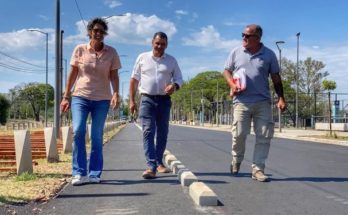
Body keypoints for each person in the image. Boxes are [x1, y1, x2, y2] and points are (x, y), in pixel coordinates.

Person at [60, 17, 121, 185]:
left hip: (102, 99)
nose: (99, 33)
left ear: (105, 34)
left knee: (96, 135)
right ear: (89, 32)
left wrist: (116, 93)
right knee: (79, 130)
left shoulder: (112, 52)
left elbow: (114, 76)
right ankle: (79, 172)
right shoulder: (80, 50)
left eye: (102, 31)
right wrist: (65, 96)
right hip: (80, 97)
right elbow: (72, 74)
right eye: (96, 30)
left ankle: (94, 172)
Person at [223, 24, 286, 182]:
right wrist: (232, 85)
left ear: (257, 38)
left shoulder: (269, 54)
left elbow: (276, 78)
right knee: (239, 134)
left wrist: (281, 98)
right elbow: (226, 71)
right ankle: (236, 160)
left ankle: (258, 169)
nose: (243, 38)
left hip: (262, 102)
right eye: (242, 34)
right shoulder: (236, 52)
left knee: (264, 136)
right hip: (241, 102)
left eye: (247, 35)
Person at [129, 32, 183, 179]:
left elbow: (179, 78)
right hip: (146, 100)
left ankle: (159, 162)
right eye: (157, 43)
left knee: (162, 132)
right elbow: (134, 80)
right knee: (148, 131)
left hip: (164, 101)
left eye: (163, 44)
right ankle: (151, 166)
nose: (159, 46)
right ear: (152, 42)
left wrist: (174, 86)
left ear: (167, 45)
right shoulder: (142, 58)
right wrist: (132, 101)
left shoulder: (171, 61)